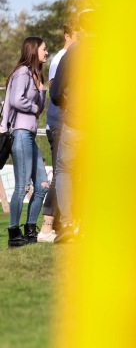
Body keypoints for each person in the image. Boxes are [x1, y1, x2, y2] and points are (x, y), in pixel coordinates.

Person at [1, 37, 50, 247]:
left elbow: (39, 107)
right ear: (33, 50)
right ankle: (14, 233)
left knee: (42, 185)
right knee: (22, 187)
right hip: (20, 134)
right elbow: (15, 100)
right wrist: (33, 107)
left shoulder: (34, 74)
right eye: (44, 49)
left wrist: (41, 88)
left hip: (29, 135)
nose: (47, 53)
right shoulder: (22, 72)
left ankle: (30, 230)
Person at [39, 23, 78, 243]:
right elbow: (55, 91)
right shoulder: (61, 58)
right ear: (67, 36)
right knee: (60, 173)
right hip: (61, 123)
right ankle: (47, 225)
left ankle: (66, 223)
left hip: (71, 121)